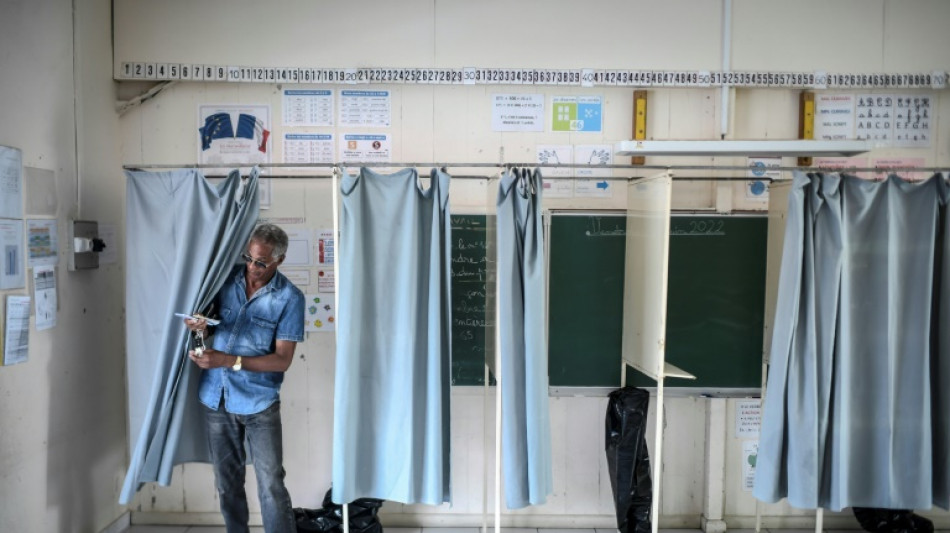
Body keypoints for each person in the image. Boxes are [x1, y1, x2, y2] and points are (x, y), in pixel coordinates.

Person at [185, 223, 305, 533]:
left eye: (261, 262)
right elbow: (208, 327)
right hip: (217, 397)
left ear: (279, 260)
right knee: (227, 483)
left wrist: (227, 360)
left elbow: (282, 360)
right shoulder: (225, 279)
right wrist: (199, 329)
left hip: (259, 402)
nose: (252, 267)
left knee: (271, 485)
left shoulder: (290, 298)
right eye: (248, 258)